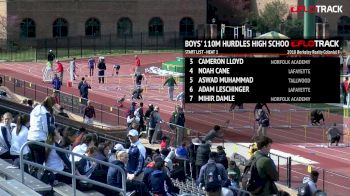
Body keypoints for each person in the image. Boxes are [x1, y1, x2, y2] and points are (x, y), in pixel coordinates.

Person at [28, 96, 56, 165]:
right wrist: (53, 129)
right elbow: (46, 128)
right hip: (39, 140)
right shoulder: (45, 113)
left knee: (34, 162)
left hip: (30, 138)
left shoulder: (36, 109)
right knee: (39, 162)